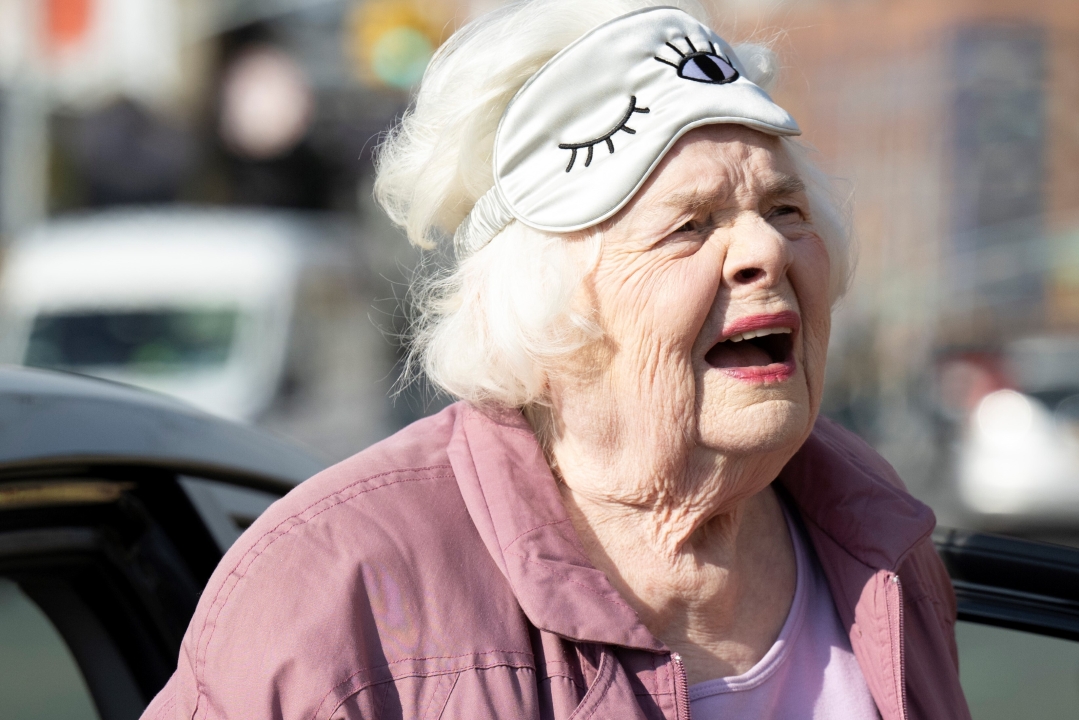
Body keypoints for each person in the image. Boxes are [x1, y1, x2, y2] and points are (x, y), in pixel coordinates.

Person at [141, 1, 972, 718]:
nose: (764, 249)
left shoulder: (871, 531)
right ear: (551, 318)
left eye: (784, 207)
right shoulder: (334, 595)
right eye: (690, 225)